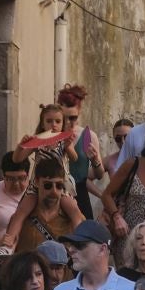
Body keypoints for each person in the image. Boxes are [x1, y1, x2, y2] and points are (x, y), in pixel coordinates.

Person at [3, 156, 85, 256]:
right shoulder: (23, 215)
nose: (54, 191)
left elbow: (84, 249)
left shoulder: (72, 216)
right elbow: (9, 247)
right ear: (37, 182)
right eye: (47, 185)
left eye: (59, 186)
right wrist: (4, 244)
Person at [57, 84, 106, 219]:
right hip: (54, 194)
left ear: (80, 112)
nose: (68, 122)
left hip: (80, 196)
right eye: (64, 118)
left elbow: (99, 174)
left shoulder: (88, 136)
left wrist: (95, 160)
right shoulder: (52, 135)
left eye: (73, 118)